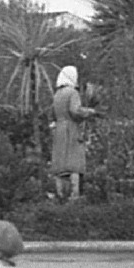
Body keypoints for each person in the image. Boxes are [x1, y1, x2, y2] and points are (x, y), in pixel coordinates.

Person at [48, 65, 94, 200]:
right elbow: (75, 110)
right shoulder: (72, 93)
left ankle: (60, 193)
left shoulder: (57, 94)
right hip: (71, 130)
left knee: (60, 166)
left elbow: (53, 113)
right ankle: (75, 195)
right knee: (74, 164)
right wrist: (89, 112)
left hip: (59, 131)